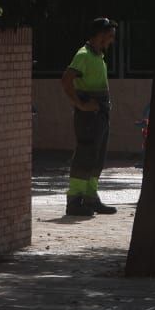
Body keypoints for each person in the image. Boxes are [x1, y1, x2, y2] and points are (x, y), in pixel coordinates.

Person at [61, 18, 119, 216]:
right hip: (89, 116)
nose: (111, 41)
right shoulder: (83, 55)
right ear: (100, 35)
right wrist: (81, 105)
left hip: (100, 113)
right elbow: (66, 80)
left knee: (97, 156)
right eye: (110, 36)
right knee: (85, 155)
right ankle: (74, 201)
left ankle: (90, 197)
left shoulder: (98, 55)